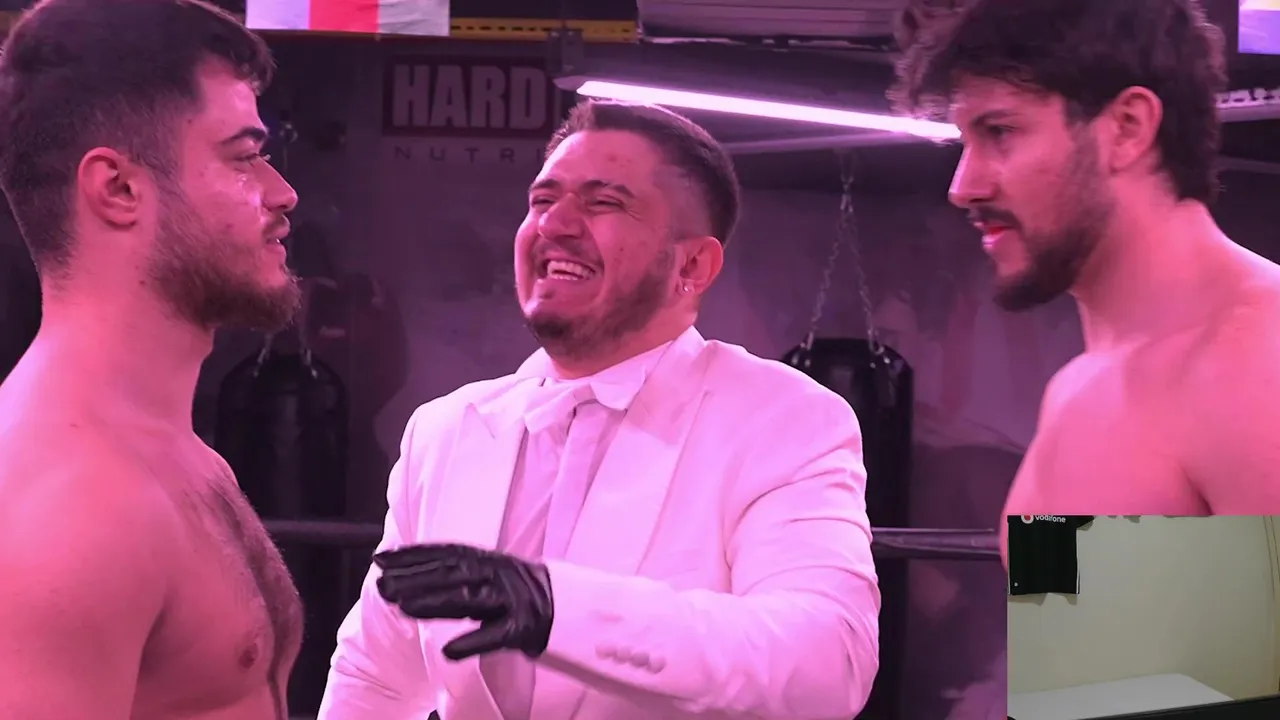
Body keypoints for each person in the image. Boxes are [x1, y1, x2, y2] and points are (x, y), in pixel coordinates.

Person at [319, 100, 881, 720]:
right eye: (542, 199)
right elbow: (376, 675)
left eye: (604, 202)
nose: (554, 224)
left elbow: (828, 662)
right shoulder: (446, 430)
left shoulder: (783, 419)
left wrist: (559, 608)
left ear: (692, 264)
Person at [0, 1, 305, 718]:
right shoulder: (70, 513)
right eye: (243, 157)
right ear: (119, 190)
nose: (282, 192)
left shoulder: (173, 454)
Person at [890, 0, 1280, 551]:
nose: (964, 187)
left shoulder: (1258, 358)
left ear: (1127, 128)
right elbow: (1093, 614)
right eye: (965, 142)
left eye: (1000, 131)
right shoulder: (1080, 384)